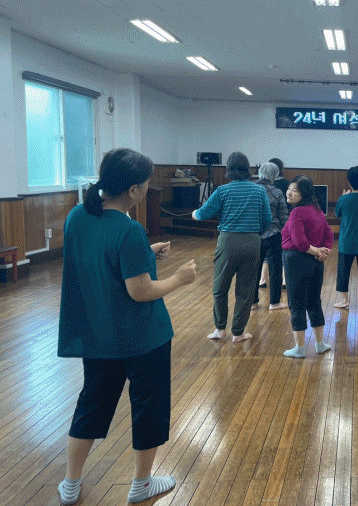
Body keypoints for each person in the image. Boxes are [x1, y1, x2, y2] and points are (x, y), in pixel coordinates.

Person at [57, 148, 197, 505]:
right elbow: (140, 291)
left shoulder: (77, 216)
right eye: (145, 184)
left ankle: (71, 483)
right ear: (133, 190)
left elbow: (100, 258)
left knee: (91, 404)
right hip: (143, 338)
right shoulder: (129, 229)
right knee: (148, 407)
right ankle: (142, 484)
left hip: (97, 335)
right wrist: (179, 279)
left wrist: (146, 252)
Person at [193, 152, 271, 343]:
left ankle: (220, 329)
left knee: (220, 287)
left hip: (227, 241)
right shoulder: (259, 191)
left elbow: (203, 214)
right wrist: (255, 233)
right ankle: (238, 332)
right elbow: (267, 219)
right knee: (246, 289)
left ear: (228, 169)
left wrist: (194, 213)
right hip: (253, 241)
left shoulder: (222, 191)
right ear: (248, 168)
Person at [282, 175, 334, 357]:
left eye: (294, 190)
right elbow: (329, 234)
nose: (289, 192)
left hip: (296, 261)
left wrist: (317, 251)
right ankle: (319, 344)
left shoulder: (297, 212)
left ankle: (300, 348)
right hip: (315, 263)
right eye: (289, 188)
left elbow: (300, 243)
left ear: (304, 193)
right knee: (314, 302)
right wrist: (323, 252)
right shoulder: (316, 210)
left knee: (296, 304)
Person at [334, 166, 358, 310]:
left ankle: (344, 300)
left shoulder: (343, 199)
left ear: (349, 182)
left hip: (347, 242)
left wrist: (343, 196)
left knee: (343, 272)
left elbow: (337, 213)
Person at [253, 162, 290, 310]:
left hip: (254, 235)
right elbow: (284, 216)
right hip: (273, 234)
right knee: (275, 269)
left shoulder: (252, 189)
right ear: (275, 176)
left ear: (260, 173)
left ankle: (253, 302)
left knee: (254, 268)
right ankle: (274, 302)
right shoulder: (277, 192)